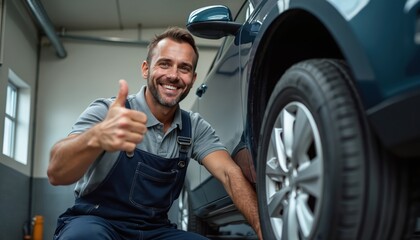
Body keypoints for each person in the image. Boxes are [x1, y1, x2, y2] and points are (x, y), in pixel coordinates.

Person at [47, 27, 262, 240]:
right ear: (146, 69)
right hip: (96, 222)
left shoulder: (194, 127)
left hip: (154, 231)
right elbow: (56, 172)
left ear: (193, 78)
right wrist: (96, 137)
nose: (173, 75)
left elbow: (229, 173)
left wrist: (265, 230)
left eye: (184, 68)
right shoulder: (108, 112)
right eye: (164, 64)